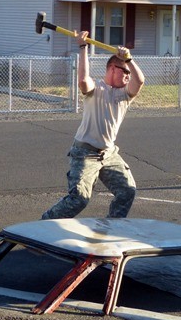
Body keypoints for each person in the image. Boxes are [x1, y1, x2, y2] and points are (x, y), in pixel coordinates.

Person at [41, 30, 145, 219]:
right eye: (126, 72)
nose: (129, 76)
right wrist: (82, 47)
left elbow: (140, 81)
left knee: (127, 191)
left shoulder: (125, 95)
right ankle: (41, 228)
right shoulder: (96, 89)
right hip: (85, 153)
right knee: (79, 198)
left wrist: (129, 60)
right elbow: (82, 81)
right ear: (113, 68)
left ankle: (112, 228)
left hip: (109, 153)